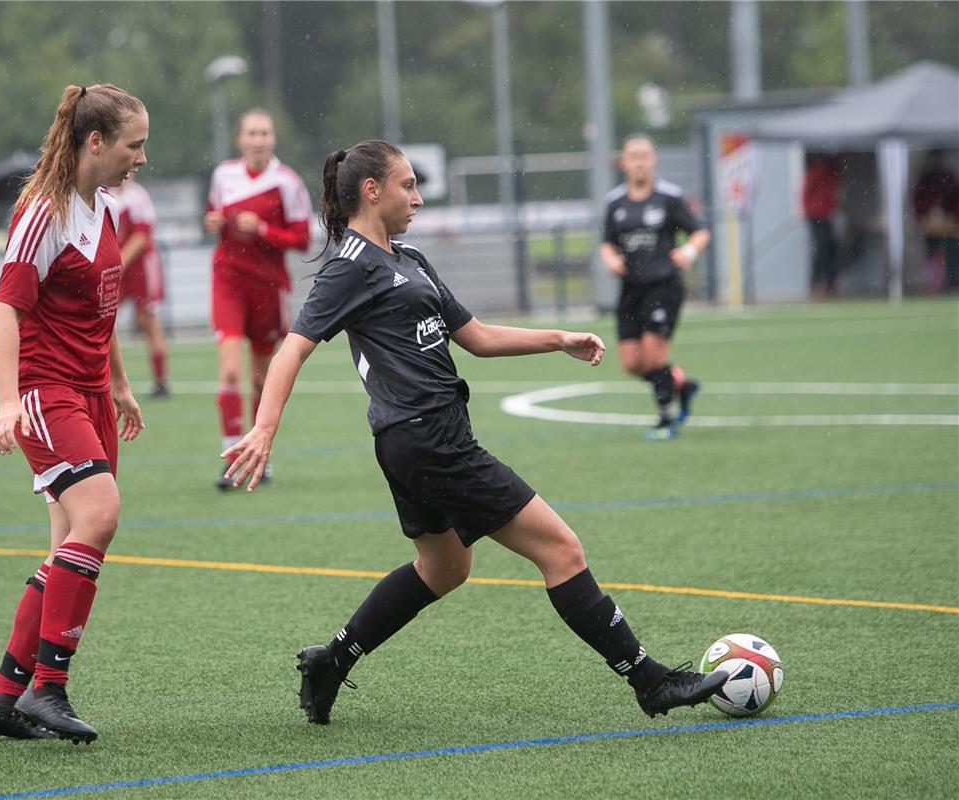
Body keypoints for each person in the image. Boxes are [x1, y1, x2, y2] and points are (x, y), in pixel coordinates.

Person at [222, 139, 727, 726]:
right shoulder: (349, 266)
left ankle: (332, 660)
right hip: (430, 439)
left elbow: (478, 336)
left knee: (445, 569)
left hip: (413, 440)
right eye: (407, 185)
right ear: (372, 190)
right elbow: (291, 351)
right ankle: (651, 681)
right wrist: (264, 429)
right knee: (561, 550)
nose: (417, 197)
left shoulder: (409, 259)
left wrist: (557, 339)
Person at [0, 84, 147, 744]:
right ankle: (49, 689)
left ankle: (3, 699)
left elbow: (96, 313)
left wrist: (122, 384)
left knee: (65, 549)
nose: (141, 159)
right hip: (49, 394)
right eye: (135, 146)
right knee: (99, 516)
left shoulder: (99, 206)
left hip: (94, 395)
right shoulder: (42, 214)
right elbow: (5, 311)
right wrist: (7, 402)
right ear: (96, 143)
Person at [204, 108, 312, 489]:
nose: (258, 139)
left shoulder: (287, 182)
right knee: (231, 371)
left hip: (267, 286)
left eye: (264, 133)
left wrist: (264, 229)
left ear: (273, 139)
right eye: (251, 133)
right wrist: (214, 222)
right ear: (240, 139)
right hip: (228, 281)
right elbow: (214, 216)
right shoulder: (223, 175)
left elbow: (302, 238)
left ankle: (258, 456)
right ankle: (232, 456)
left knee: (261, 377)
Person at [599, 134, 710, 441]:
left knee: (653, 358)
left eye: (644, 155)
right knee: (631, 363)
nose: (638, 161)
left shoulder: (669, 197)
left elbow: (700, 232)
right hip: (630, 289)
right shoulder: (615, 202)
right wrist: (610, 259)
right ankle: (683, 386)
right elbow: (606, 243)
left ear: (654, 160)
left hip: (663, 287)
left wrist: (688, 252)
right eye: (633, 156)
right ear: (624, 163)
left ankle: (666, 419)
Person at [110, 174, 170, 396]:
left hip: (142, 268)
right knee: (104, 320)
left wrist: (119, 262)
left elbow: (142, 237)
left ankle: (161, 380)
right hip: (120, 268)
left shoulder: (138, 197)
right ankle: (104, 380)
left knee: (148, 321)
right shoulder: (107, 197)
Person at [911, 150, 959, 293]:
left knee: (951, 253)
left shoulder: (949, 179)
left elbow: (955, 200)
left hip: (949, 226)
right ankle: (935, 284)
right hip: (930, 226)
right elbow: (918, 201)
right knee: (932, 253)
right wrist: (925, 216)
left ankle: (953, 282)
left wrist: (950, 216)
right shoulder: (926, 180)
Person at [801, 154, 841, 300]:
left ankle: (830, 284)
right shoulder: (818, 171)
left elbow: (831, 196)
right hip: (816, 215)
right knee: (821, 249)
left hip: (827, 215)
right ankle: (816, 284)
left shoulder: (831, 173)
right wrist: (808, 211)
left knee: (831, 249)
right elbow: (806, 193)